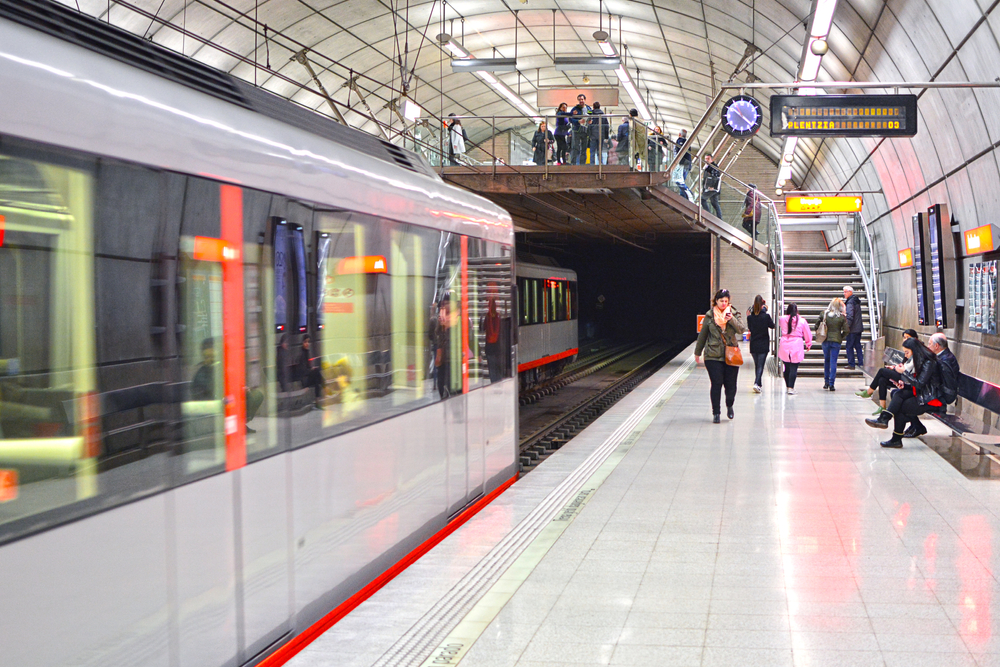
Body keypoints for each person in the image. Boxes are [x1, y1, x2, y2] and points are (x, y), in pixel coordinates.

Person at [865, 337, 942, 448]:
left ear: (914, 350)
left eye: (907, 352)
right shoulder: (920, 360)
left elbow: (920, 383)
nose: (905, 355)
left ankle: (889, 427)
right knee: (898, 393)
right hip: (922, 393)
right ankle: (887, 422)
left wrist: (904, 372)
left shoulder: (928, 362)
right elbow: (918, 384)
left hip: (930, 398)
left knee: (901, 406)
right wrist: (904, 385)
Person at [695, 289, 745, 423]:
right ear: (716, 301)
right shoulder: (710, 316)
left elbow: (741, 329)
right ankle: (716, 412)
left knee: (731, 385)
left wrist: (732, 320)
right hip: (713, 355)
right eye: (721, 301)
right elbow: (703, 335)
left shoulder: (734, 313)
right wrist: (697, 352)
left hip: (731, 355)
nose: (723, 303)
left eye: (726, 301)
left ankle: (729, 405)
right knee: (716, 383)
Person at [900, 332, 960, 438]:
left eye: (929, 344)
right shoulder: (939, 357)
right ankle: (915, 425)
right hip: (934, 391)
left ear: (936, 346)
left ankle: (913, 427)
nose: (928, 347)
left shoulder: (945, 359)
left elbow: (941, 381)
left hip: (942, 395)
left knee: (905, 403)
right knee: (901, 395)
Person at [856, 329, 918, 415]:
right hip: (903, 375)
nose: (906, 339)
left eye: (908, 337)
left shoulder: (916, 351)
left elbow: (907, 368)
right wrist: (894, 367)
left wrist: (896, 368)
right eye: (904, 337)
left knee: (882, 371)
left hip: (908, 378)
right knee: (882, 380)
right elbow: (903, 365)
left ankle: (869, 391)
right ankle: (882, 406)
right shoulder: (909, 348)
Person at [777, 303, 812, 394]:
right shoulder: (802, 321)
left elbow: (779, 322)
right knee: (794, 368)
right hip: (796, 344)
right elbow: (807, 333)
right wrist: (808, 343)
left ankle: (788, 385)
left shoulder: (782, 319)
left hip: (785, 343)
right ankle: (791, 387)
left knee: (787, 368)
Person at [818, 297, 850, 391]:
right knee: (833, 362)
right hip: (836, 341)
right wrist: (840, 336)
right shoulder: (841, 317)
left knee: (826, 360)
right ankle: (832, 384)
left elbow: (817, 325)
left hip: (825, 340)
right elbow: (846, 330)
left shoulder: (824, 314)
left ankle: (826, 382)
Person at [746, 295, 775, 393]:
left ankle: (759, 384)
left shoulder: (750, 318)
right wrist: (765, 311)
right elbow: (772, 326)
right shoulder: (766, 316)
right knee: (760, 365)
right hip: (763, 344)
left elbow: (750, 328)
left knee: (757, 365)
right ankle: (756, 383)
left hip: (754, 344)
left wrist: (749, 315)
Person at [431, 295, 453, 399]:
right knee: (441, 380)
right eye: (443, 305)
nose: (444, 307)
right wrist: (440, 325)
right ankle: (443, 398)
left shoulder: (455, 319)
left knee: (449, 381)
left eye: (446, 304)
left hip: (451, 357)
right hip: (441, 356)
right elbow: (435, 334)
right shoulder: (440, 319)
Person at [296, 335, 325, 406]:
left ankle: (318, 400)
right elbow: (303, 371)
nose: (307, 344)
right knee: (317, 371)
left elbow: (307, 368)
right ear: (302, 343)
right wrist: (311, 369)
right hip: (304, 380)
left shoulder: (306, 352)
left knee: (317, 380)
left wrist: (311, 368)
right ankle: (325, 387)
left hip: (308, 377)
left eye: (308, 342)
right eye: (305, 342)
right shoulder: (301, 354)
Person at [843, 285, 864, 369]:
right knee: (857, 345)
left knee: (849, 346)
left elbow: (850, 316)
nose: (844, 294)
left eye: (845, 292)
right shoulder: (856, 301)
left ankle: (851, 364)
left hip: (852, 329)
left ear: (850, 292)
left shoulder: (850, 302)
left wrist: (847, 327)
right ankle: (861, 362)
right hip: (858, 328)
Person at [568, 94, 592, 165]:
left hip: (585, 130)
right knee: (575, 147)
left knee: (584, 148)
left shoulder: (588, 108)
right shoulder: (575, 109)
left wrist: (590, 121)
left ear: (585, 99)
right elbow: (570, 119)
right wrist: (578, 121)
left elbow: (591, 116)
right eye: (579, 100)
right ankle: (573, 163)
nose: (581, 101)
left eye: (582, 99)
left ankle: (582, 164)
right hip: (576, 130)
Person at [701, 154, 723, 218]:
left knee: (703, 199)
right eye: (705, 159)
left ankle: (709, 215)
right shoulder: (709, 167)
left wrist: (713, 187)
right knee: (715, 203)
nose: (706, 160)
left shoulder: (713, 167)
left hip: (711, 188)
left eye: (708, 159)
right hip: (712, 188)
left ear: (711, 159)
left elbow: (715, 177)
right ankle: (719, 218)